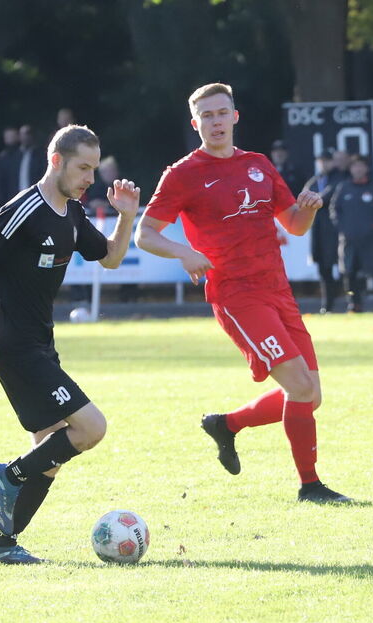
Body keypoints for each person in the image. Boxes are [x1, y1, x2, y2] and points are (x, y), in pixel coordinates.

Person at [135, 82, 351, 503]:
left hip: (277, 290)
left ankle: (227, 424)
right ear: (195, 123)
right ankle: (310, 486)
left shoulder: (258, 164)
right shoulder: (182, 174)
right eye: (207, 116)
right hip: (237, 295)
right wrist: (184, 252)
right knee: (300, 389)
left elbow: (293, 224)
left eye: (222, 113)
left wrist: (307, 208)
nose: (216, 122)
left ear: (235, 116)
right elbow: (145, 234)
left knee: (311, 395)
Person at [0, 125, 140, 564]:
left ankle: (2, 547)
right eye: (83, 167)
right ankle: (8, 475)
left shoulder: (74, 213)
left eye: (94, 169)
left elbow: (112, 259)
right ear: (57, 160)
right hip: (14, 345)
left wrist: (126, 215)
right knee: (90, 428)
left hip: (40, 343)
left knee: (50, 453)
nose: (89, 178)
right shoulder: (25, 209)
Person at [331, 156, 373, 312]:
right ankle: (354, 303)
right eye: (355, 166)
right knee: (349, 273)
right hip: (349, 240)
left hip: (371, 239)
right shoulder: (343, 188)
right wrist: (343, 229)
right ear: (350, 169)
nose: (358, 169)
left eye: (361, 166)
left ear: (366, 168)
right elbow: (334, 211)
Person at [302, 150, 347, 313]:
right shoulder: (316, 180)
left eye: (327, 161)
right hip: (318, 229)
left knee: (340, 265)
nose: (324, 164)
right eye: (321, 161)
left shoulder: (340, 178)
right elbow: (304, 198)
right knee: (323, 267)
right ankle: (327, 304)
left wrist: (314, 200)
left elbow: (325, 198)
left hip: (334, 229)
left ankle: (347, 300)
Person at [0, 126, 22, 206]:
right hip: (6, 194)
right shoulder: (1, 157)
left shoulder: (23, 155)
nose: (9, 139)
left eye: (12, 136)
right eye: (7, 137)